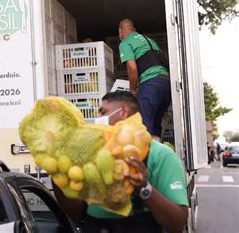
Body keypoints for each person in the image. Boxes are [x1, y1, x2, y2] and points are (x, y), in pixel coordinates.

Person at [53, 91, 188, 233]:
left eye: (103, 112)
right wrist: (58, 178)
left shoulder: (160, 155)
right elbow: (77, 215)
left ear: (123, 112)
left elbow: (177, 224)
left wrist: (144, 189)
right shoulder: (91, 157)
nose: (98, 119)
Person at [118, 18, 170, 140]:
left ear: (120, 32)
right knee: (156, 128)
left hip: (151, 85)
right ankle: (157, 157)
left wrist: (132, 90)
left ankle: (147, 158)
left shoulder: (125, 42)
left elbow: (132, 68)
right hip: (166, 85)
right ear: (133, 29)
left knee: (145, 127)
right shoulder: (149, 40)